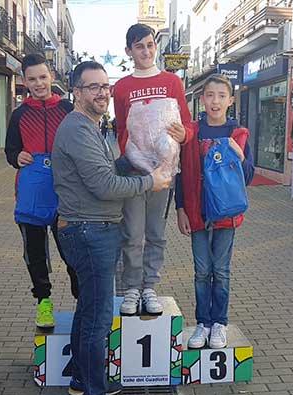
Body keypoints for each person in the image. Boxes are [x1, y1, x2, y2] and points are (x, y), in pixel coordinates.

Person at [53, 61, 171, 395]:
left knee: (88, 309)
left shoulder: (91, 127)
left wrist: (138, 155)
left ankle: (81, 378)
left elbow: (109, 169)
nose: (102, 93)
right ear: (76, 91)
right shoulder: (77, 129)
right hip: (89, 232)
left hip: (92, 230)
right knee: (98, 320)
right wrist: (150, 182)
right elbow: (105, 186)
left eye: (105, 86)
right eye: (93, 87)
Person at [113, 23, 193, 315]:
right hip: (135, 176)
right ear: (129, 51)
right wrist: (133, 156)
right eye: (139, 47)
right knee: (133, 234)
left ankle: (150, 287)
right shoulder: (122, 87)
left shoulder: (172, 82)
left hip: (163, 175)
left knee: (156, 233)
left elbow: (186, 123)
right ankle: (132, 288)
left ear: (155, 46)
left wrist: (185, 135)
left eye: (149, 45)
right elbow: (121, 130)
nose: (146, 52)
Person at [175, 74, 255, 349]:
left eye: (221, 96)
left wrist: (240, 156)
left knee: (220, 271)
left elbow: (248, 177)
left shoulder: (238, 134)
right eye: (210, 95)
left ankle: (219, 322)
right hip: (197, 212)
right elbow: (181, 173)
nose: (215, 101)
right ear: (202, 99)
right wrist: (180, 209)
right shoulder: (192, 133)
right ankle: (203, 323)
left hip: (226, 213)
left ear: (230, 100)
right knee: (201, 271)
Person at [4, 54, 78, 328]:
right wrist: (17, 156)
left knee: (73, 251)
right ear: (24, 81)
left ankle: (82, 300)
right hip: (31, 195)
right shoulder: (19, 114)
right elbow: (11, 150)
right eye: (32, 79)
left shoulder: (68, 109)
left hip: (65, 195)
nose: (38, 83)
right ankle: (43, 302)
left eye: (43, 77)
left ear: (52, 77)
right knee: (35, 253)